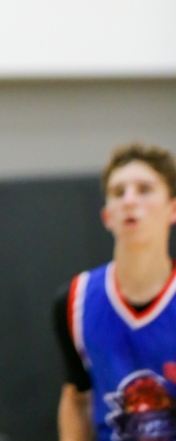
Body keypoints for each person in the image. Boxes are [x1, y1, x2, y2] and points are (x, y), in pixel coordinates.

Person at [53, 143, 176, 441]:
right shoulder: (75, 300)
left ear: (173, 209)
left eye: (144, 189)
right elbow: (77, 398)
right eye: (119, 192)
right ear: (107, 215)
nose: (130, 200)